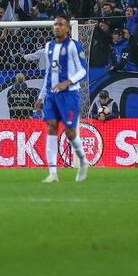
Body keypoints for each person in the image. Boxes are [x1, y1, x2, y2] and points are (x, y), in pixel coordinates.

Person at [33, 15, 89, 183]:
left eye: (61, 24)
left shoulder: (73, 46)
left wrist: (68, 82)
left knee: (70, 133)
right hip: (51, 94)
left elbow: (83, 70)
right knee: (51, 127)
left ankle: (83, 161)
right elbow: (48, 74)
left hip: (69, 94)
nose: (57, 27)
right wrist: (41, 97)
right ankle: (52, 173)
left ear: (68, 28)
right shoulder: (48, 46)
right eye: (55, 24)